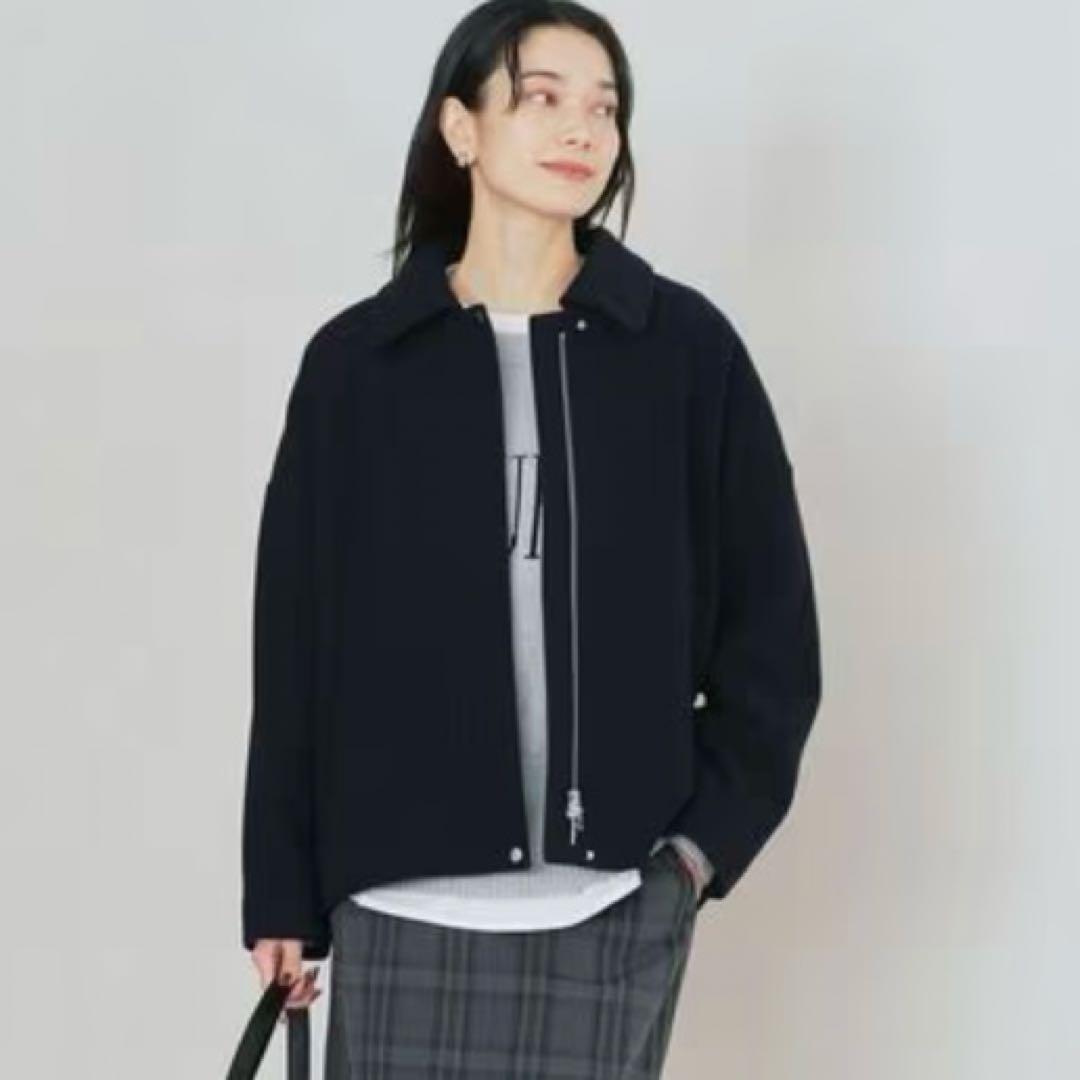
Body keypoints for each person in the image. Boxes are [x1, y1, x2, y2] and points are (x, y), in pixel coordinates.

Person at [241, 2, 822, 1076]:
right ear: (460, 127)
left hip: (611, 906)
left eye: (604, 107)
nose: (581, 130)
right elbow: (296, 646)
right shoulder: (358, 367)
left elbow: (773, 635)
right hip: (398, 904)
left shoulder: (684, 352)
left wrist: (694, 857)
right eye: (542, 97)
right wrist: (280, 887)